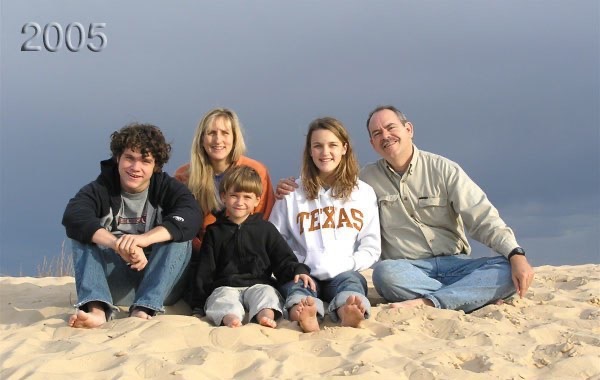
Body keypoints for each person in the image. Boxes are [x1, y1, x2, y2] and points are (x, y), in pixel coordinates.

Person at [276, 106, 535, 313]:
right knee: (384, 274)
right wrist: (292, 186)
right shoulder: (364, 181)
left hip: (456, 263)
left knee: (504, 269)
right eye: (377, 134)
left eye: (391, 128)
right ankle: (468, 298)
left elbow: (481, 217)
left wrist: (515, 253)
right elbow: (329, 184)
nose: (385, 136)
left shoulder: (444, 169)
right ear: (372, 143)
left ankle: (432, 302)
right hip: (408, 271)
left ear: (409, 129)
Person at [62, 123, 202, 328]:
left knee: (179, 237)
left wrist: (143, 240)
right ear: (118, 158)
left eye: (145, 161)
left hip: (162, 283)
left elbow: (190, 216)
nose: (135, 168)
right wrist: (118, 245)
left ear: (156, 166)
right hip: (117, 283)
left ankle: (144, 309)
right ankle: (97, 309)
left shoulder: (168, 188)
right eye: (130, 158)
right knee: (81, 235)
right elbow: (74, 216)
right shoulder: (100, 189)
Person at [269, 117, 381, 332]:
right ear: (310, 151)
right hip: (303, 274)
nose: (325, 152)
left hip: (344, 272)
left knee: (352, 286)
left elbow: (371, 244)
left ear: (344, 148)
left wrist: (350, 263)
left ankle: (348, 313)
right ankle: (305, 315)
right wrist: (295, 265)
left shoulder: (363, 192)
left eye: (332, 145)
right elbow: (275, 239)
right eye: (317, 146)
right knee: (297, 292)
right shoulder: (292, 192)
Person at [190, 165, 315, 328]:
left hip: (258, 284)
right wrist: (198, 304)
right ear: (223, 197)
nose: (240, 202)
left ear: (257, 200)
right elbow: (205, 270)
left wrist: (298, 270)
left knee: (268, 295)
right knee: (221, 299)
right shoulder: (215, 232)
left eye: (247, 197)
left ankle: (264, 316)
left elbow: (282, 258)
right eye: (234, 196)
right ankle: (231, 319)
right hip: (226, 286)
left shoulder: (265, 229)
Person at [175, 108, 276, 302]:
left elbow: (264, 218)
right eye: (211, 133)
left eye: (225, 133)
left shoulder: (255, 171)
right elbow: (181, 225)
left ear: (235, 137)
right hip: (204, 257)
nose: (218, 139)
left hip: (247, 257)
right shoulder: (184, 176)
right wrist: (207, 251)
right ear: (202, 138)